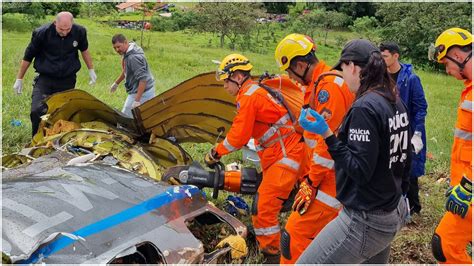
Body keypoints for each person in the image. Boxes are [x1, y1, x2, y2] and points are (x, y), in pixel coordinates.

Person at [297, 39, 411, 263]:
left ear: (353, 67)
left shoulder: (364, 108)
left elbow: (359, 170)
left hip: (366, 219)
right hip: (392, 208)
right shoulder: (393, 99)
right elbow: (406, 157)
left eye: (342, 70)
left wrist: (328, 135)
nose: (342, 76)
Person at [205, 53, 305, 263]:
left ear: (239, 77)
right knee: (274, 201)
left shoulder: (250, 97)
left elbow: (237, 138)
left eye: (226, 80)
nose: (225, 86)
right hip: (280, 155)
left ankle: (273, 256)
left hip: (286, 157)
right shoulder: (253, 92)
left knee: (263, 209)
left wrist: (216, 152)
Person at [274, 33, 354, 263]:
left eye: (290, 72)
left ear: (300, 64)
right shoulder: (319, 85)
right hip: (324, 179)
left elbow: (327, 144)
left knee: (294, 236)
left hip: (329, 183)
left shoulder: (329, 88)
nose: (292, 79)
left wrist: (311, 182)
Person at [13, 11, 96, 136]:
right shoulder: (42, 33)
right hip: (46, 79)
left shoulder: (80, 32)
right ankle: (36, 139)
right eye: (61, 29)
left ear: (72, 24)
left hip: (67, 80)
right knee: (37, 110)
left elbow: (84, 50)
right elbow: (28, 56)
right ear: (54, 23)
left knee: (62, 112)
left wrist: (91, 70)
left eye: (68, 29)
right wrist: (19, 78)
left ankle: (56, 138)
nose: (65, 32)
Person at [428, 27, 472, 264]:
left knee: (445, 245)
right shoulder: (469, 90)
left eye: (447, 63)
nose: (447, 70)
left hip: (470, 192)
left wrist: (468, 187)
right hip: (465, 189)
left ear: (457, 55)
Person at [380, 41, 428, 215]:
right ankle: (396, 205)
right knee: (392, 165)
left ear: (395, 56)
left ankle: (414, 207)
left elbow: (420, 108)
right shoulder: (381, 77)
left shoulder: (411, 79)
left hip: (409, 129)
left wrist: (417, 133)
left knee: (410, 168)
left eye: (385, 56)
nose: (382, 59)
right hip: (390, 128)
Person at [110, 34, 155, 118]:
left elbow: (143, 79)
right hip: (142, 90)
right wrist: (116, 83)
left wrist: (137, 100)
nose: (117, 50)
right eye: (114, 48)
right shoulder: (127, 52)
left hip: (143, 92)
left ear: (125, 42)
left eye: (118, 47)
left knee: (125, 119)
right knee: (141, 118)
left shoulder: (133, 58)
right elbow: (126, 70)